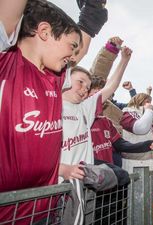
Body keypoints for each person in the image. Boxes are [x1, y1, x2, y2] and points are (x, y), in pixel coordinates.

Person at [0, 0, 82, 222]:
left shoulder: (56, 78)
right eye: (71, 46)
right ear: (44, 31)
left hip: (46, 210)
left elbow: (85, 34)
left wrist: (95, 11)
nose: (74, 57)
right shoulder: (5, 63)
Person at [59, 45, 132, 181]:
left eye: (87, 87)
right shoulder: (49, 108)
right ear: (66, 79)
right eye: (80, 82)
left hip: (84, 188)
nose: (84, 89)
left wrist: (124, 61)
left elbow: (110, 87)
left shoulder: (85, 108)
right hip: (56, 189)